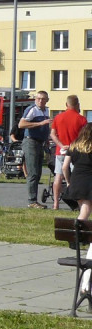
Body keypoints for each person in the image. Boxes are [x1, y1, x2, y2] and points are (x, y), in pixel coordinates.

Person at [62, 122, 92, 298]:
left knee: (83, 210)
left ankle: (79, 236)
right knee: (85, 212)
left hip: (77, 183)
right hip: (89, 184)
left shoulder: (74, 146)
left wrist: (68, 181)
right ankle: (80, 236)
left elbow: (65, 167)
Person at [50, 95, 85, 211]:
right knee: (76, 176)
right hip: (76, 152)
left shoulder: (58, 118)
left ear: (66, 105)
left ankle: (56, 204)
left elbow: (52, 134)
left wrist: (61, 145)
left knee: (58, 177)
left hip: (61, 151)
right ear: (77, 105)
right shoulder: (81, 119)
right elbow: (84, 137)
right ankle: (78, 203)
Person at [19, 91, 51, 208]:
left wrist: (46, 140)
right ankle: (31, 201)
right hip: (31, 141)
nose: (40, 101)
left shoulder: (46, 111)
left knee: (38, 172)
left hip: (40, 142)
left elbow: (45, 127)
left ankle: (34, 200)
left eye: (43, 99)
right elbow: (21, 124)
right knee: (33, 172)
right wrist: (40, 123)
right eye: (38, 98)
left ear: (47, 100)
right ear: (35, 99)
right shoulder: (32, 109)